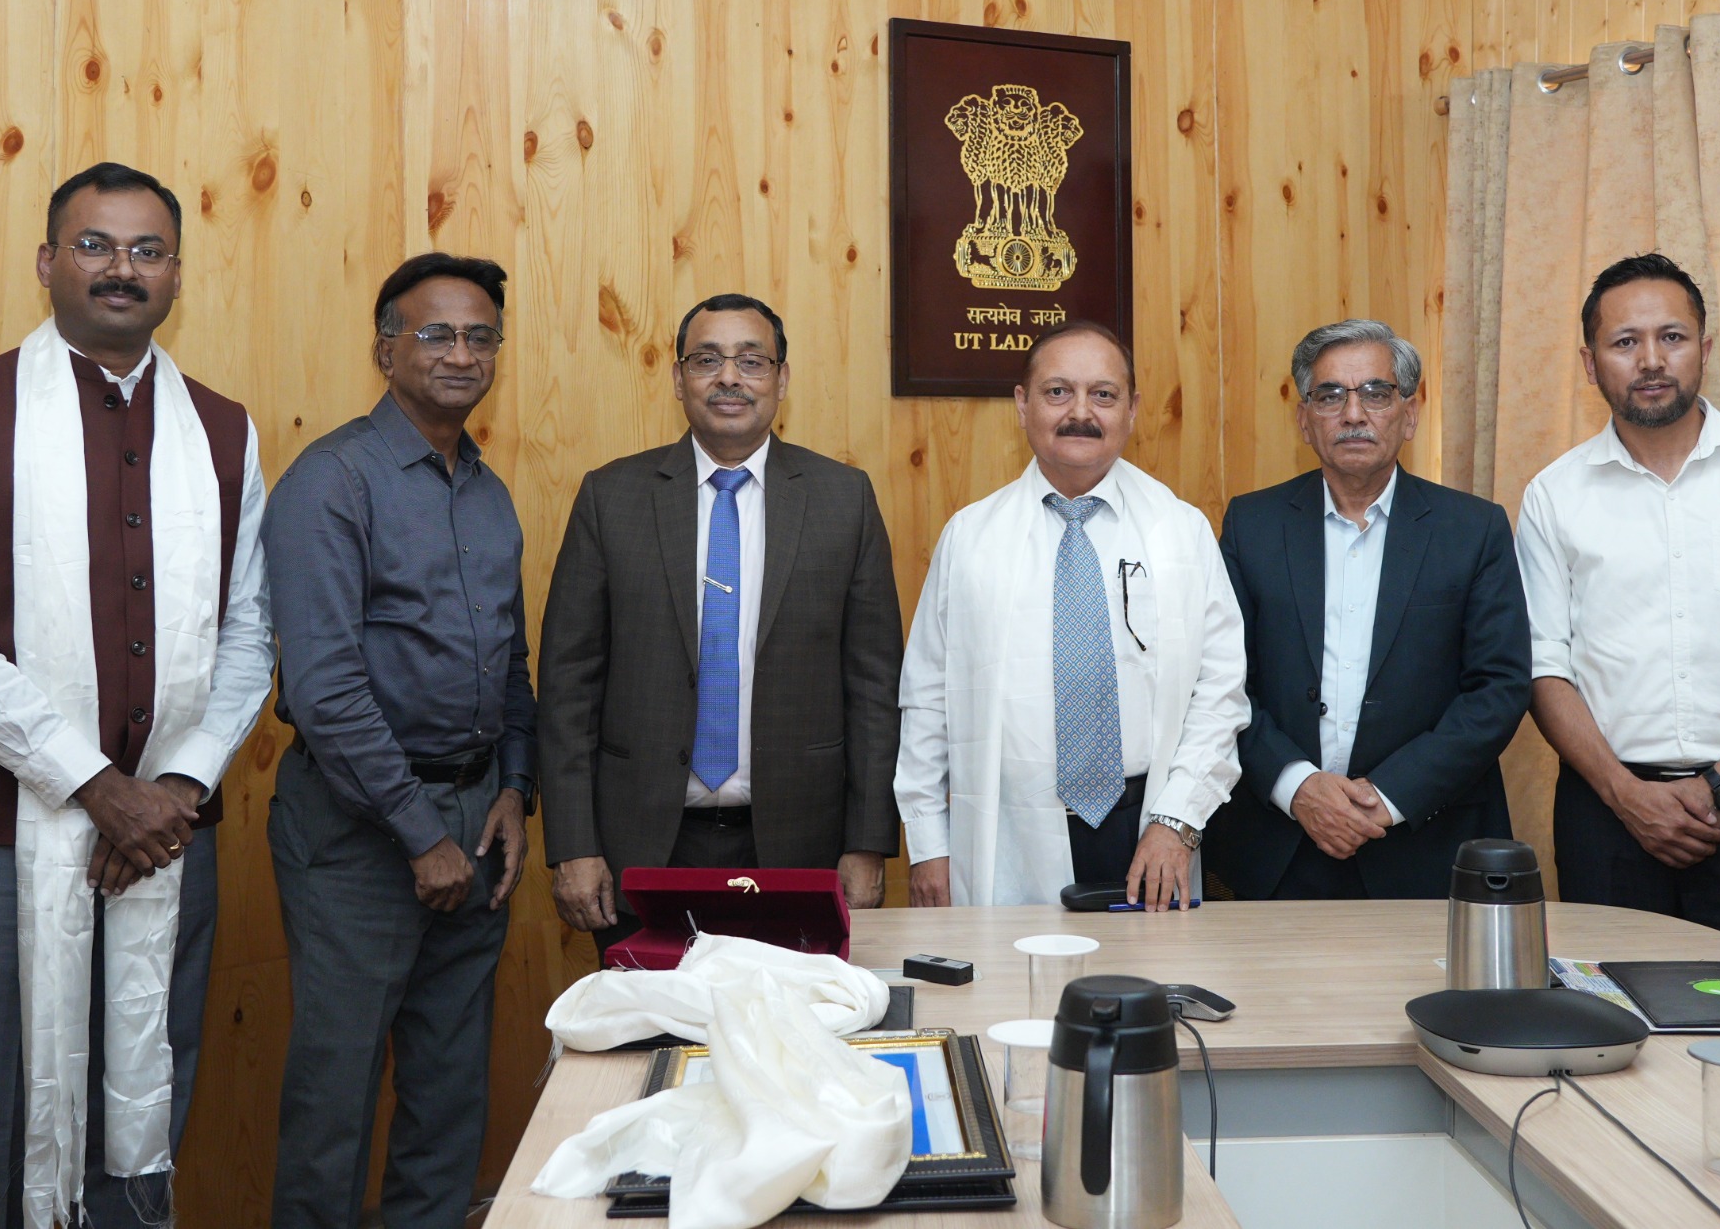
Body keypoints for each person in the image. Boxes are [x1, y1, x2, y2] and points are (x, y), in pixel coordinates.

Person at [0, 162, 273, 1229]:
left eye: (146, 249)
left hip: (168, 824)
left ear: (177, 274)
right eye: (96, 244)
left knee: (147, 1082)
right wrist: (97, 783)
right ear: (48, 261)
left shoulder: (225, 430)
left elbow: (253, 633)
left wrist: (176, 787)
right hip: (2, 823)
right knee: (5, 1101)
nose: (121, 268)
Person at [262, 253, 535, 1229]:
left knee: (450, 1086)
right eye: (435, 333)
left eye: (479, 335)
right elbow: (326, 690)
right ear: (386, 350)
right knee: (335, 1095)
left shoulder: (487, 489)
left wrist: (514, 788)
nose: (461, 353)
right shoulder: (331, 481)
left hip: (475, 815)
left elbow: (509, 660)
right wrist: (423, 833)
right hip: (359, 827)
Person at [537, 293, 904, 946]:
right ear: (678, 378)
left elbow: (875, 687)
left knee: (786, 1038)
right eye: (707, 359)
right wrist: (573, 843)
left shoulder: (843, 501)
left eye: (751, 360)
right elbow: (568, 686)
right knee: (649, 1037)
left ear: (782, 379)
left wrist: (868, 842)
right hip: (641, 848)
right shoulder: (611, 497)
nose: (729, 376)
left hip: (798, 847)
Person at [1515, 256, 1720, 964]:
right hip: (1607, 811)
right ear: (1590, 362)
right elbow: (1544, 667)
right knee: (1613, 1028)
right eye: (1625, 341)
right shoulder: (1554, 494)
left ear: (1706, 348)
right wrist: (1627, 795)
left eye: (1673, 336)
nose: (1652, 360)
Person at [895, 321, 1250, 909]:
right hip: (1005, 832)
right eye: (1058, 392)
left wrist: (1177, 822)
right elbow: (927, 699)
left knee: (1150, 996)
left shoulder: (1181, 530)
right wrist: (929, 844)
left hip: (1150, 824)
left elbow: (1221, 693)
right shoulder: (971, 538)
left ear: (1132, 410)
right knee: (1013, 995)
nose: (1080, 412)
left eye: (1103, 395)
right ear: (1022, 404)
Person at [1205, 320, 1531, 900]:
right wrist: (1298, 785)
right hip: (1279, 847)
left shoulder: (1473, 529)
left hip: (1425, 844)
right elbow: (1221, 680)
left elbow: (1498, 688)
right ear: (1305, 419)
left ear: (1408, 414)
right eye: (1330, 395)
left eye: (1376, 393)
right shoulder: (1252, 525)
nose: (1353, 414)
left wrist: (1386, 797)